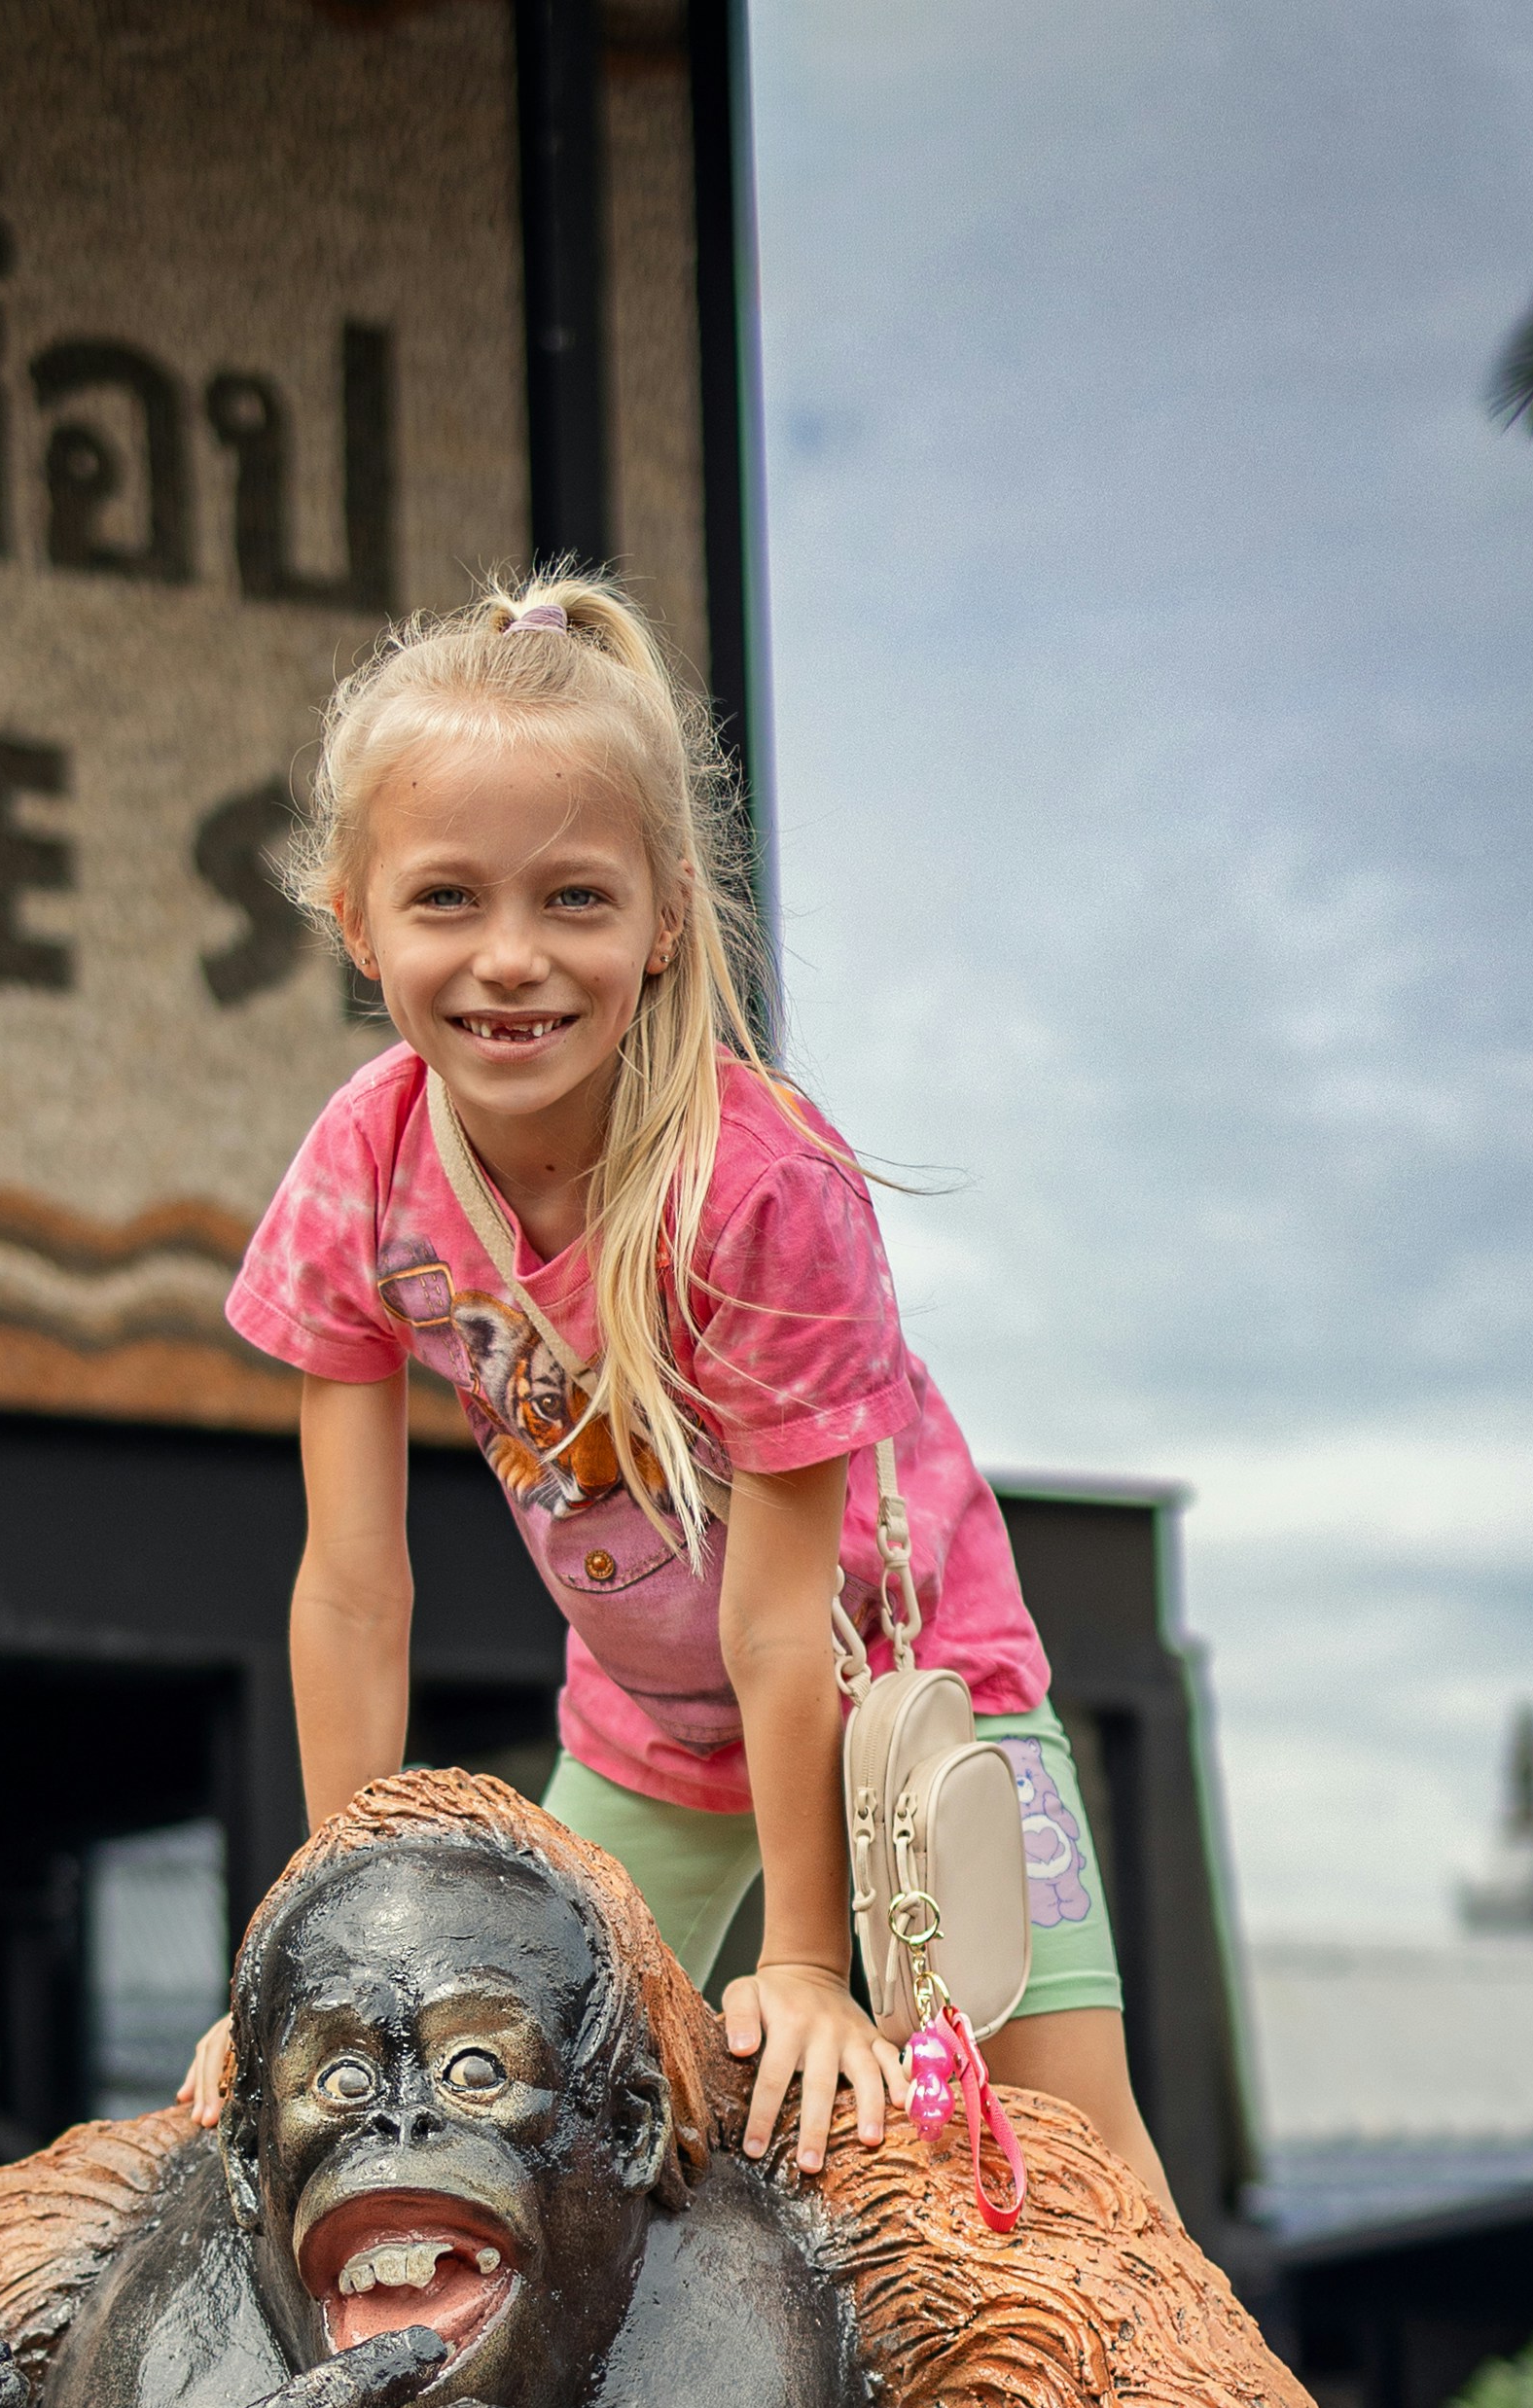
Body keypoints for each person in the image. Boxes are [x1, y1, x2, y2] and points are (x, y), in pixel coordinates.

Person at [181, 569, 1172, 2210]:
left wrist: (806, 1962)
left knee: (1079, 2151)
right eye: (446, 900)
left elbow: (785, 1623)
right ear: (356, 920)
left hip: (911, 1697)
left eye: (574, 899)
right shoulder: (365, 1164)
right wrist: (324, 1954)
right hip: (645, 1727)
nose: (511, 959)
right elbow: (355, 1590)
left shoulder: (760, 1186)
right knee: (513, 2086)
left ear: (663, 920)